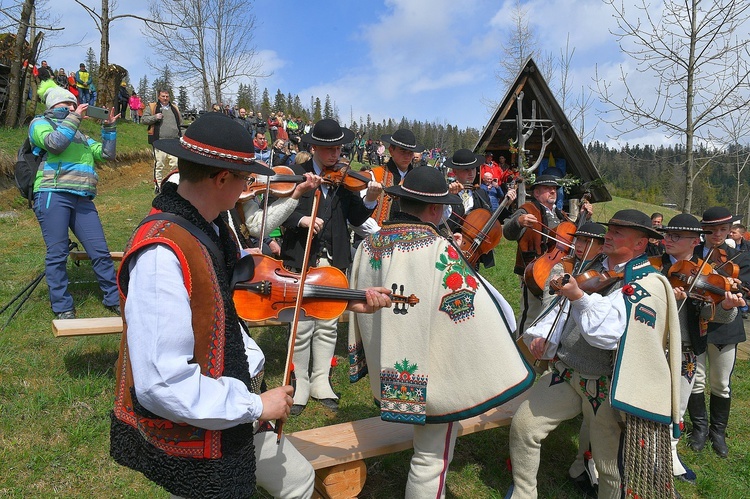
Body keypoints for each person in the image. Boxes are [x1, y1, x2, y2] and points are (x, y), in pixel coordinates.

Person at [109, 112, 391, 498]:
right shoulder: (162, 253)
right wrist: (255, 406)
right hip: (196, 426)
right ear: (222, 178)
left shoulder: (213, 226)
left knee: (298, 480)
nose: (253, 186)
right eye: (246, 178)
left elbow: (264, 292)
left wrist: (346, 301)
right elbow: (162, 383)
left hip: (233, 402)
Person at [348, 165, 534, 498]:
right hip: (428, 373)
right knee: (431, 457)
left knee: (428, 453)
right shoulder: (437, 249)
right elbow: (465, 309)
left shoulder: (369, 243)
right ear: (435, 208)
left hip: (385, 366)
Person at [510, 209, 682, 499]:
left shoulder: (648, 284)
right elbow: (563, 312)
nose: (609, 235)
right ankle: (523, 494)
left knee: (609, 466)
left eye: (618, 232)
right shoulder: (594, 265)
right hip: (566, 371)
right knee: (524, 427)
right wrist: (546, 337)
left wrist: (578, 296)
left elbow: (606, 334)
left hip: (605, 384)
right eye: (610, 229)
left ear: (640, 244)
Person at [280, 118, 383, 415]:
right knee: (301, 324)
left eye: (338, 148)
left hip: (334, 260)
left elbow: (355, 218)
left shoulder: (343, 180)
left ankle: (321, 380)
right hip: (301, 257)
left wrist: (371, 200)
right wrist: (300, 220)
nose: (335, 154)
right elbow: (276, 212)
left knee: (327, 323)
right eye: (329, 149)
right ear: (314, 148)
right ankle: (300, 382)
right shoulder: (297, 175)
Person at [653, 213, 743, 483]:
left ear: (695, 241)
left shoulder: (705, 272)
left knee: (677, 405)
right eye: (668, 235)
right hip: (653, 344)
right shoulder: (652, 265)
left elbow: (709, 313)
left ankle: (669, 454)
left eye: (676, 236)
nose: (668, 239)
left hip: (687, 347)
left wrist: (725, 307)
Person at [29, 85, 121, 320]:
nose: (72, 107)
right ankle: (62, 306)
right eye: (66, 104)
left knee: (99, 251)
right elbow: (54, 144)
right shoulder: (39, 124)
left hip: (82, 198)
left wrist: (109, 127)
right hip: (52, 194)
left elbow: (107, 155)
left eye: (74, 104)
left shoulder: (80, 135)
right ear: (53, 106)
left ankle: (114, 298)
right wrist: (75, 118)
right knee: (57, 253)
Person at [687, 206, 750, 458]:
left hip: (725, 325)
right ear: (704, 231)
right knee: (696, 380)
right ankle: (700, 430)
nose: (718, 235)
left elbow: (744, 288)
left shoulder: (741, 258)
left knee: (721, 384)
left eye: (724, 230)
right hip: (696, 323)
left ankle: (718, 432)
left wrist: (735, 288)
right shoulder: (692, 257)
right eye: (712, 230)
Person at [503, 172, 590, 335]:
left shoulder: (561, 215)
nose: (552, 192)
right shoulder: (527, 210)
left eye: (555, 189)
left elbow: (571, 239)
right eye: (547, 188)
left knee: (552, 316)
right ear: (536, 193)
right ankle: (520, 348)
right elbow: (508, 232)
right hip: (535, 270)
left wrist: (584, 218)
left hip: (559, 271)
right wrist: (518, 222)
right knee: (531, 314)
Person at [446, 149, 516, 269]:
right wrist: (450, 197)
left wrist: (506, 203)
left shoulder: (481, 193)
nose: (471, 173)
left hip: (475, 251)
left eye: (473, 169)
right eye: (466, 170)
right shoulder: (447, 193)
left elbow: (492, 219)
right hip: (451, 247)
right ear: (455, 171)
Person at [142, 89, 182, 193]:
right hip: (159, 141)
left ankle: (174, 186)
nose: (165, 98)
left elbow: (180, 124)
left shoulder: (175, 108)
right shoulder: (152, 107)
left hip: (174, 141)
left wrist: (183, 137)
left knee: (175, 164)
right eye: (163, 96)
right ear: (159, 97)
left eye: (167, 96)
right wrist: (155, 117)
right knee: (159, 164)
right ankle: (158, 186)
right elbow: (144, 120)